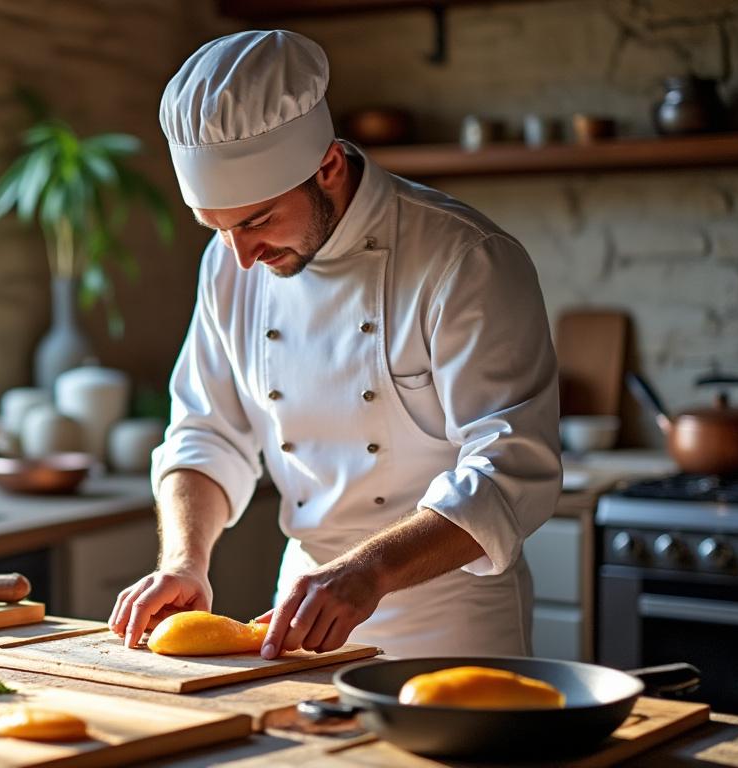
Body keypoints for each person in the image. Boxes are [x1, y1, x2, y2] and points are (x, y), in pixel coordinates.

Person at [107, 30, 561, 658]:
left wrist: (369, 572)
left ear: (328, 166)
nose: (240, 257)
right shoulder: (229, 263)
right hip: (300, 613)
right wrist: (185, 560)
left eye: (257, 220)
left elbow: (511, 468)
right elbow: (206, 432)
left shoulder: (464, 259)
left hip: (450, 618)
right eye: (217, 228)